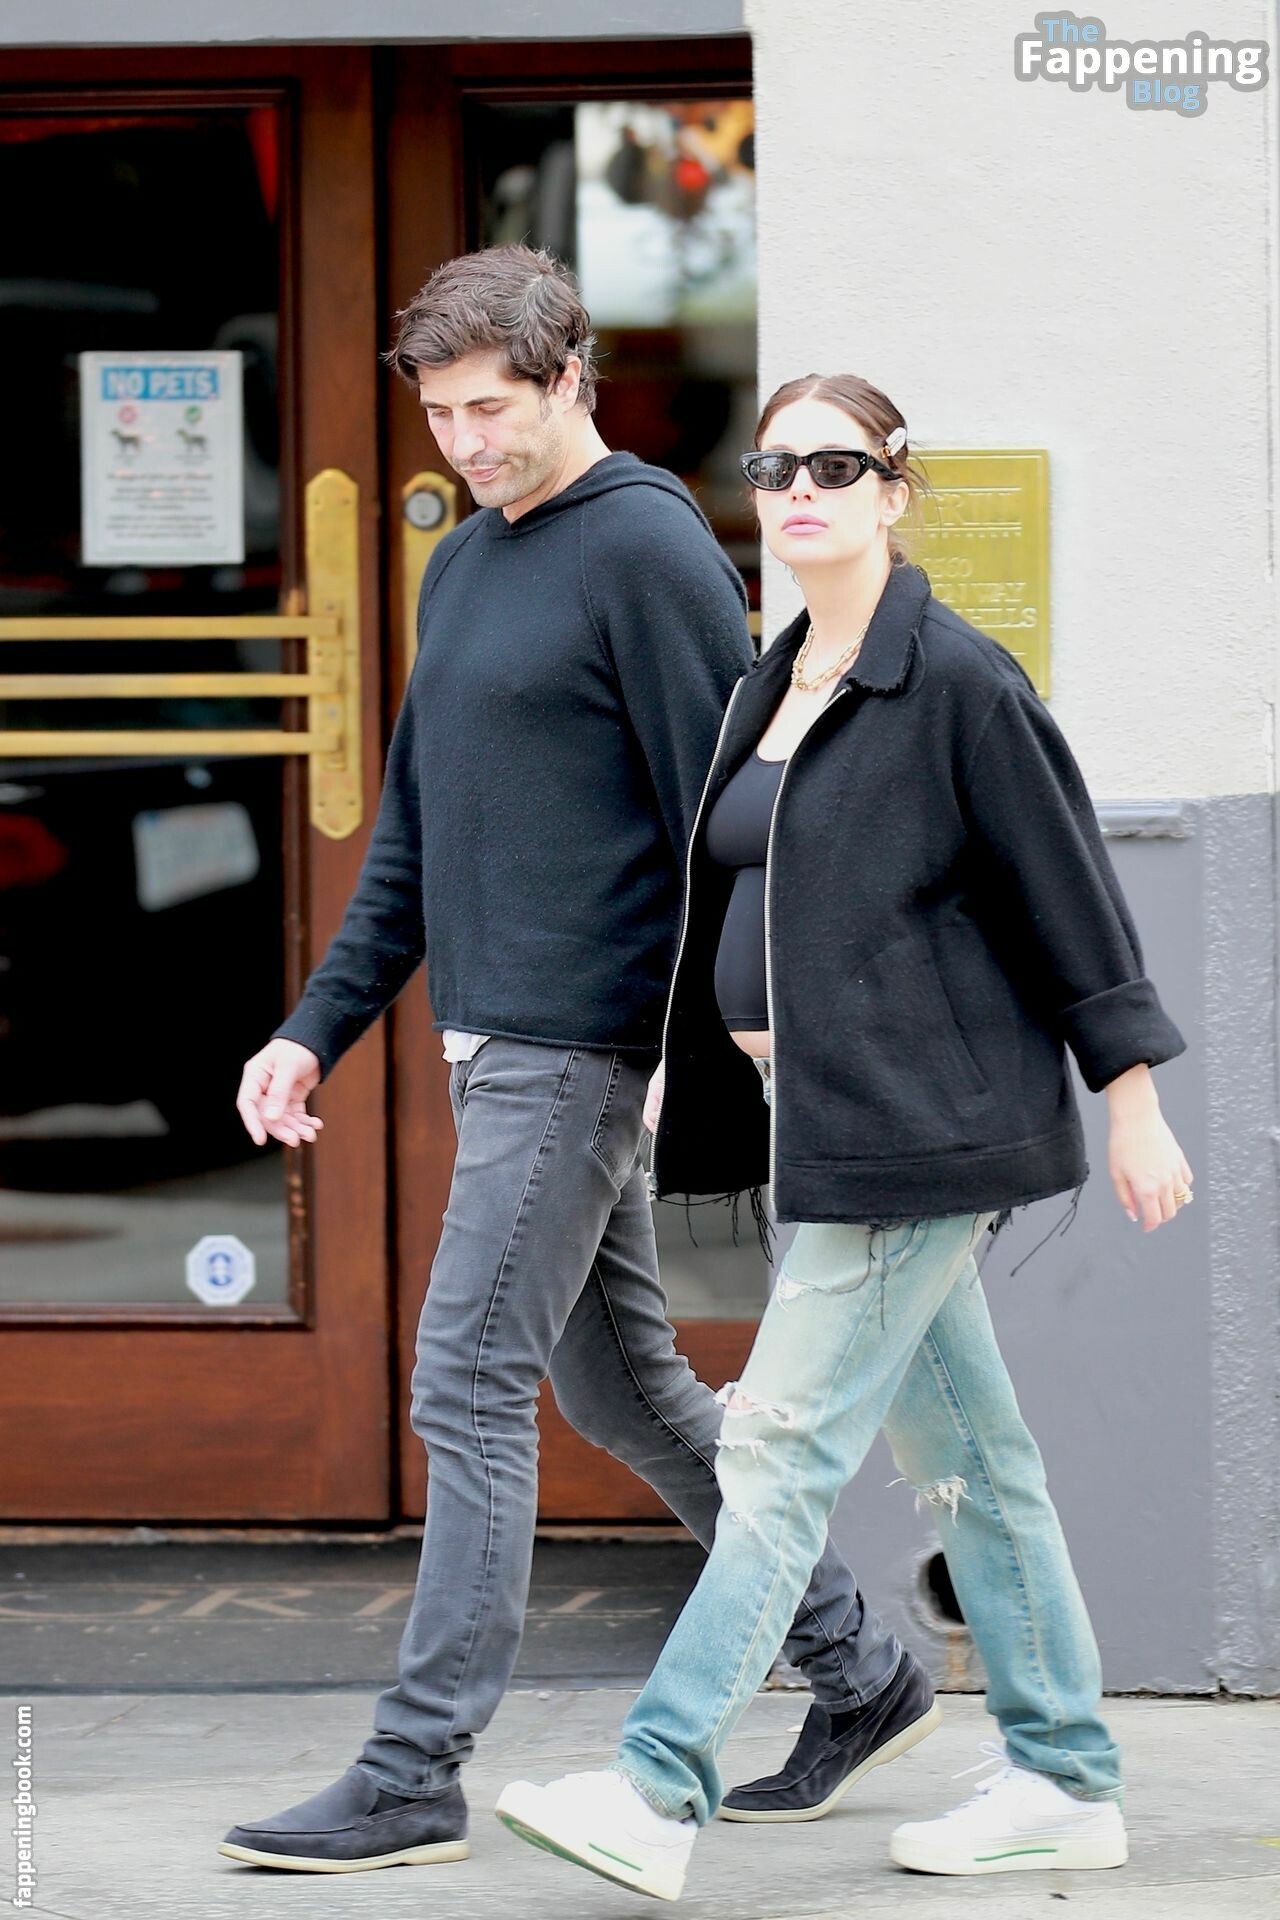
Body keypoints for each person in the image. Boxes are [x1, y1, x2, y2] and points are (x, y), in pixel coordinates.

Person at [218, 264, 932, 1875]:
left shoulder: (647, 545)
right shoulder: (464, 563)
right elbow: (412, 831)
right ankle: (858, 1666)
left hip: (581, 1044)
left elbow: (721, 818)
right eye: (441, 412)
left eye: (494, 407)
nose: (467, 440)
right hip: (489, 1038)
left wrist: (704, 1049)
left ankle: (414, 1769)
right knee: (618, 1384)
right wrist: (311, 1026)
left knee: (465, 1376)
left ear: (569, 381)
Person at [495, 372, 1193, 1900]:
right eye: (777, 468)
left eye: (835, 464)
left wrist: (1132, 1095)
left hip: (918, 1130)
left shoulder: (957, 681)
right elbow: (743, 897)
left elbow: (1070, 895)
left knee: (779, 1447)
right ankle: (1066, 1778)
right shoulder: (775, 676)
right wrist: (695, 1062)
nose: (801, 490)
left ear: (894, 490)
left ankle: (656, 1784)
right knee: (978, 1469)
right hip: (818, 1123)